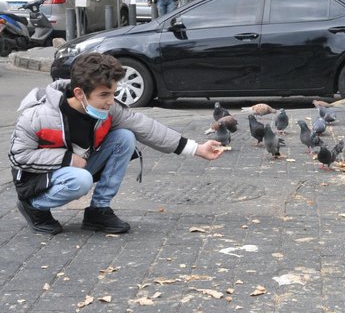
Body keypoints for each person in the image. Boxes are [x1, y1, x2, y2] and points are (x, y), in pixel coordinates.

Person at [9, 53, 224, 235]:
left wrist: (196, 148)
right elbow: (18, 157)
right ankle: (34, 207)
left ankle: (98, 212)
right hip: (38, 180)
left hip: (79, 166)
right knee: (81, 179)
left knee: (125, 137)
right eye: (104, 95)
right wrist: (66, 159)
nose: (111, 100)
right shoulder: (37, 116)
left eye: (113, 93)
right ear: (79, 93)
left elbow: (146, 127)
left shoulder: (107, 110)